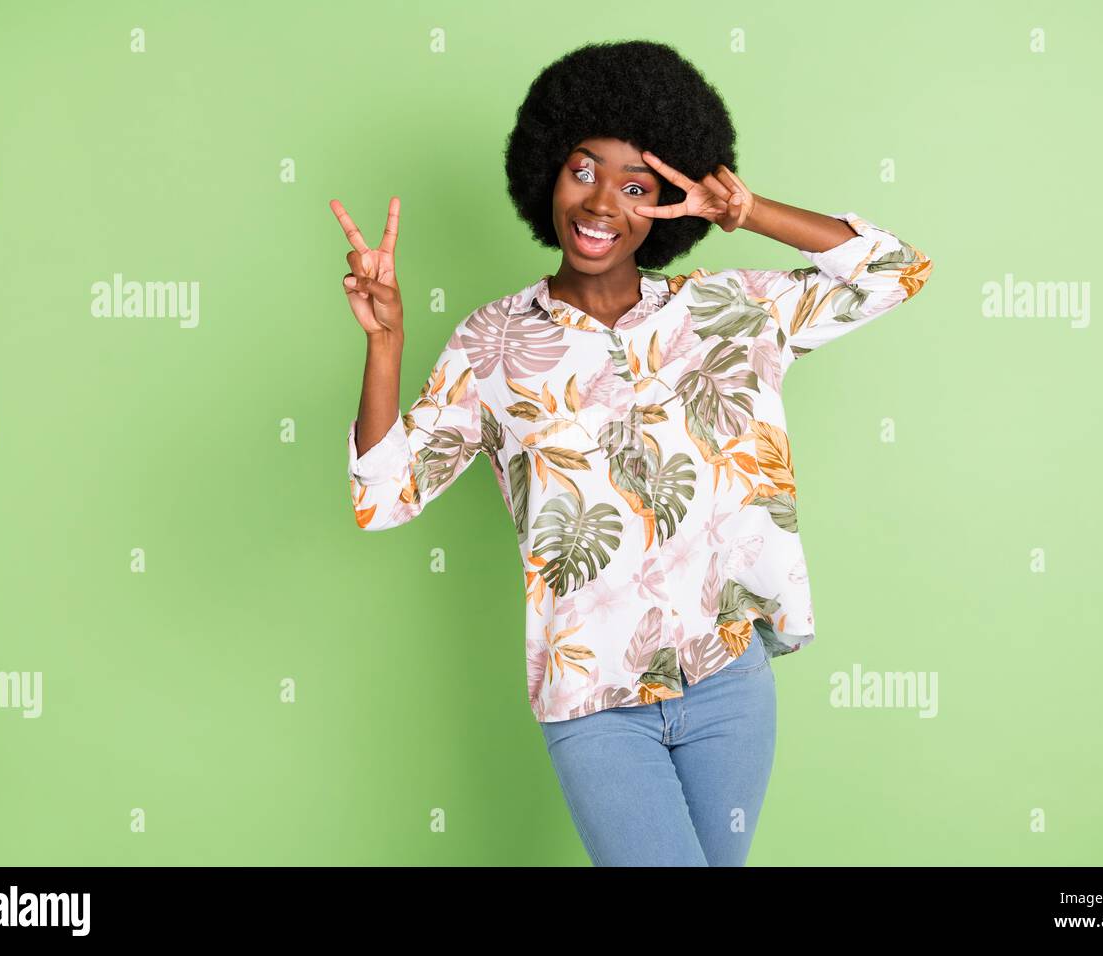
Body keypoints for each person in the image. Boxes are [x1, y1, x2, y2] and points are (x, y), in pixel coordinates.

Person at [332, 39, 934, 866]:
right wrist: (388, 345)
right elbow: (382, 496)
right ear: (547, 171)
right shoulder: (493, 341)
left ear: (667, 202)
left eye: (637, 185)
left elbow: (896, 269)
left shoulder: (729, 309)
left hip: (729, 680)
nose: (602, 202)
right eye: (584, 169)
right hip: (593, 702)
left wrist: (746, 211)